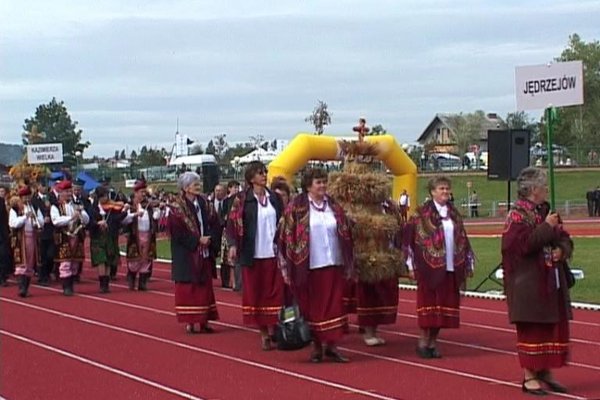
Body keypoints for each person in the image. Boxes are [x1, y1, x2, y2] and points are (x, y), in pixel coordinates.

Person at [501, 167, 573, 395]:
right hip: (528, 284)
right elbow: (521, 245)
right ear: (533, 190)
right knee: (533, 329)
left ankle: (545, 371)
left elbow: (565, 238)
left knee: (552, 328)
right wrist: (546, 227)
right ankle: (529, 375)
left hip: (552, 281)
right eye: (543, 186)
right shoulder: (516, 216)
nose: (546, 190)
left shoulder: (546, 212)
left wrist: (562, 251)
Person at [278, 168, 353, 362]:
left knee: (335, 305)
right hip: (309, 265)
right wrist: (287, 265)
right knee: (314, 307)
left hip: (334, 262)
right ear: (308, 186)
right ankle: (317, 347)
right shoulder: (297, 207)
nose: (322, 186)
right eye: (318, 182)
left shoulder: (333, 205)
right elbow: (284, 236)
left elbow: (345, 228)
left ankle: (332, 346)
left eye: (324, 182)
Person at [404, 175, 474, 359]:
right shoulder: (421, 214)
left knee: (444, 307)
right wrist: (410, 265)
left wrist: (467, 260)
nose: (445, 192)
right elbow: (411, 241)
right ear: (432, 192)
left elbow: (462, 238)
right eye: (441, 188)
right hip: (429, 269)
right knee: (429, 306)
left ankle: (433, 342)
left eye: (446, 188)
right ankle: (423, 341)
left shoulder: (454, 214)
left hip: (451, 266)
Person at [226, 161, 284, 350]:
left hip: (274, 253)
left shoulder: (274, 198)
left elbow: (284, 222)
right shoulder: (241, 200)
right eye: (260, 173)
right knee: (257, 294)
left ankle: (276, 328)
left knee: (275, 292)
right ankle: (264, 333)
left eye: (265, 172)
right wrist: (233, 245)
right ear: (251, 178)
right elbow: (232, 224)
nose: (264, 175)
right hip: (254, 253)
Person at [168, 172, 219, 334]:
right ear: (186, 188)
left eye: (198, 184)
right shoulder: (177, 208)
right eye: (195, 185)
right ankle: (190, 321)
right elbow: (177, 234)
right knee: (189, 287)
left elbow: (215, 222)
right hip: (187, 254)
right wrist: (197, 241)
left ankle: (204, 321)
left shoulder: (205, 203)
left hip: (204, 251)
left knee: (204, 286)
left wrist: (210, 238)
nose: (199, 187)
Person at [50, 180, 90, 296]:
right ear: (60, 193)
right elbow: (56, 221)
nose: (68, 194)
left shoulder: (76, 205)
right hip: (64, 237)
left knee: (75, 263)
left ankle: (71, 284)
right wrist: (71, 218)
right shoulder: (55, 206)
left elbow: (86, 220)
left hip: (76, 236)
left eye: (69, 191)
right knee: (65, 263)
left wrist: (81, 212)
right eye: (65, 192)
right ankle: (66, 287)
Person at [88, 186, 128, 293]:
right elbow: (89, 222)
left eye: (107, 196)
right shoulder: (93, 208)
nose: (106, 199)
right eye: (104, 197)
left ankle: (107, 283)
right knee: (101, 260)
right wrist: (98, 224)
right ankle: (102, 284)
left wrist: (124, 212)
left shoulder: (111, 208)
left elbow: (116, 219)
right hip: (98, 237)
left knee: (109, 260)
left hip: (109, 235)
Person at [122, 180, 161, 291]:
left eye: (144, 192)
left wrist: (157, 211)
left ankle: (143, 282)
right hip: (135, 235)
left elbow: (155, 217)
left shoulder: (148, 206)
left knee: (146, 259)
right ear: (136, 193)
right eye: (141, 192)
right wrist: (135, 214)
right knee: (134, 261)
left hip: (148, 235)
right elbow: (124, 219)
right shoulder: (130, 205)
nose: (143, 194)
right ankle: (132, 277)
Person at [8, 186, 44, 297]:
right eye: (24, 197)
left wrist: (35, 221)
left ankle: (26, 287)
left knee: (30, 262)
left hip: (32, 237)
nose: (27, 199)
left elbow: (41, 221)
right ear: (20, 197)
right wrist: (25, 217)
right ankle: (21, 287)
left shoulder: (34, 207)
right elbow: (13, 223)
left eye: (28, 196)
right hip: (20, 239)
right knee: (21, 263)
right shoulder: (15, 209)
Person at [220, 180, 240, 289]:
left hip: (236, 230)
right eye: (234, 187)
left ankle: (235, 281)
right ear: (229, 188)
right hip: (227, 230)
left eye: (237, 187)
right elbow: (223, 215)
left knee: (235, 257)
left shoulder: (240, 199)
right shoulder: (226, 201)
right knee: (226, 257)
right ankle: (229, 280)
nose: (236, 189)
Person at [0, 193, 12, 287]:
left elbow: (4, 218)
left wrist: (7, 232)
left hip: (2, 234)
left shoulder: (1, 201)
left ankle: (2, 277)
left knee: (3, 255)